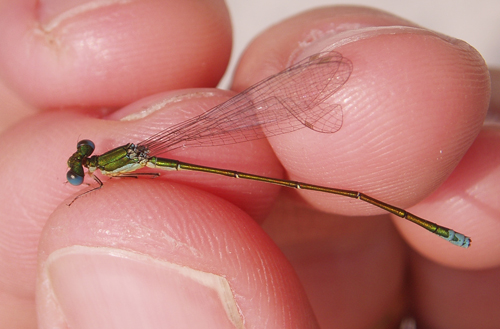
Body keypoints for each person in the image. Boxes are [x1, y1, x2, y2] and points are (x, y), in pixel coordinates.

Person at [0, 2, 498, 328]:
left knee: (350, 179)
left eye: (83, 167)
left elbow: (139, 183)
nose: (85, 169)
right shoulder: (118, 161)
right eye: (82, 168)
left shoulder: (110, 169)